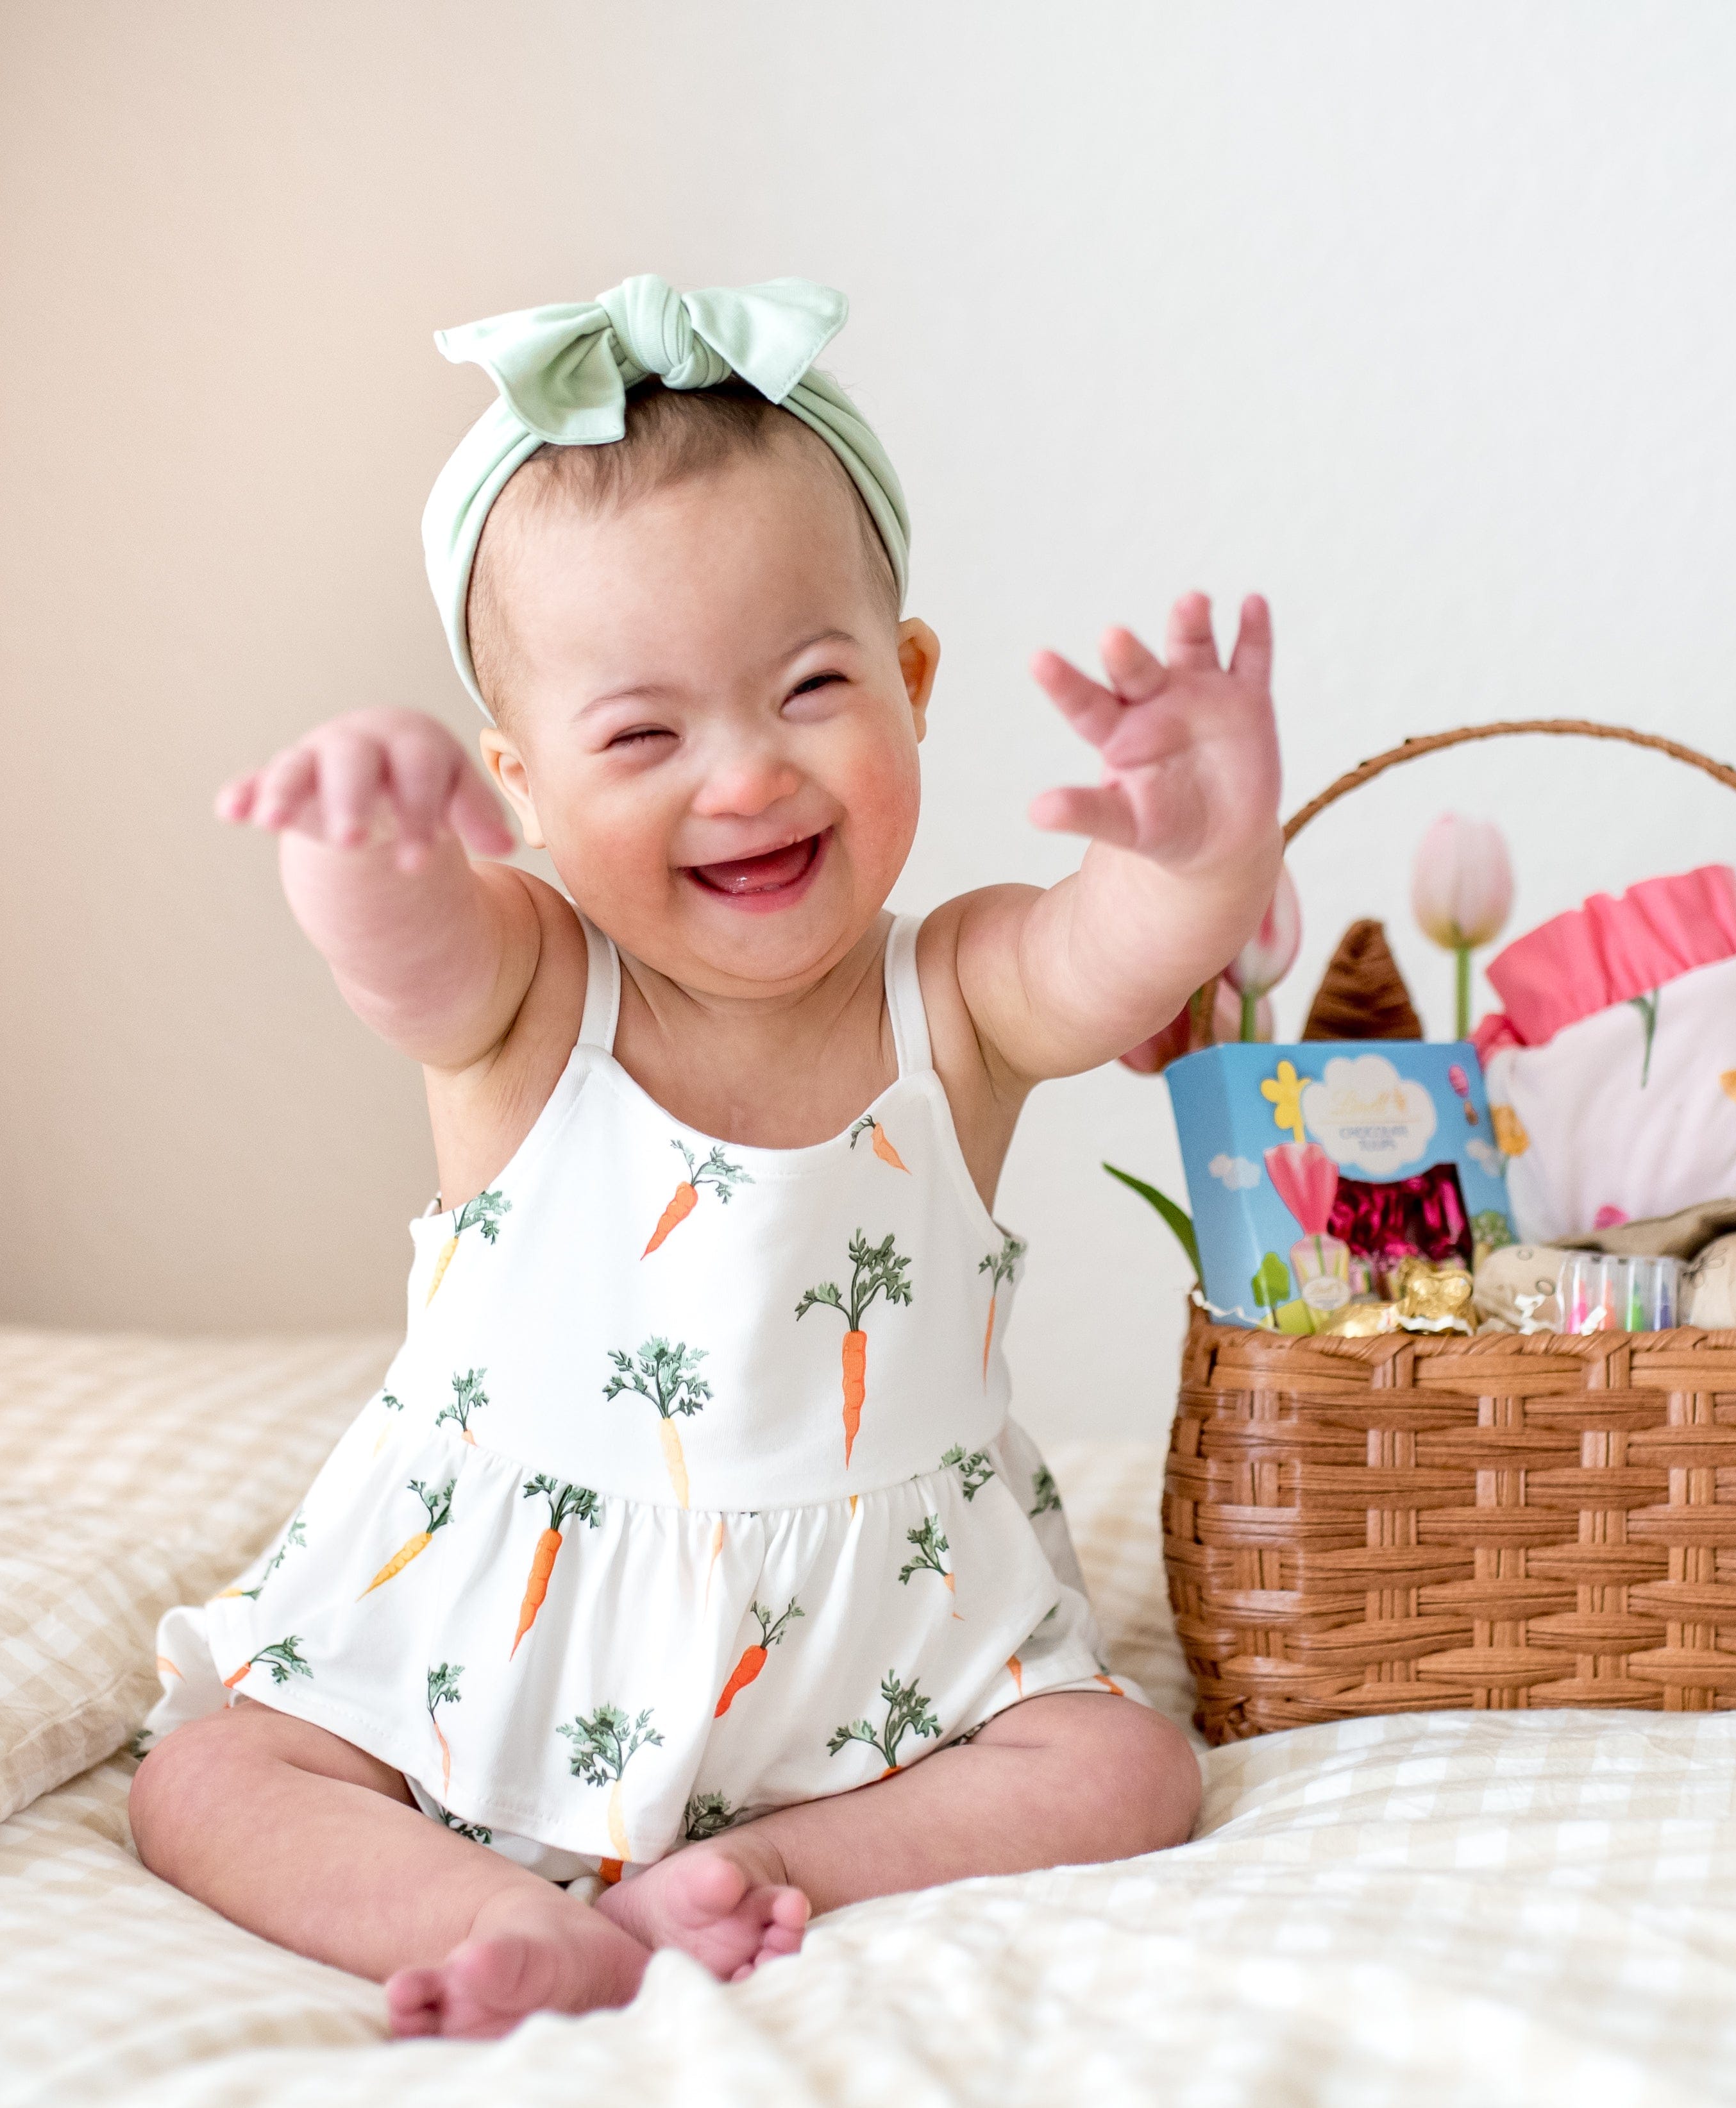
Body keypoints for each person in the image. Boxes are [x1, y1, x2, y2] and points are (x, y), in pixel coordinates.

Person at [129, 275, 1281, 2038]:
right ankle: (506, 1919)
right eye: (644, 736)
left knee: (1124, 1769)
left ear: (912, 683)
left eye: (811, 688)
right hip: (511, 1623)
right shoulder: (533, 987)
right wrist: (359, 837)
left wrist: (1200, 848)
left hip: (876, 1645)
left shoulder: (957, 993)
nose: (743, 779)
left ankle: (763, 1871)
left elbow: (1113, 952)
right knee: (211, 1778)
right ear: (519, 784)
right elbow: (402, 953)